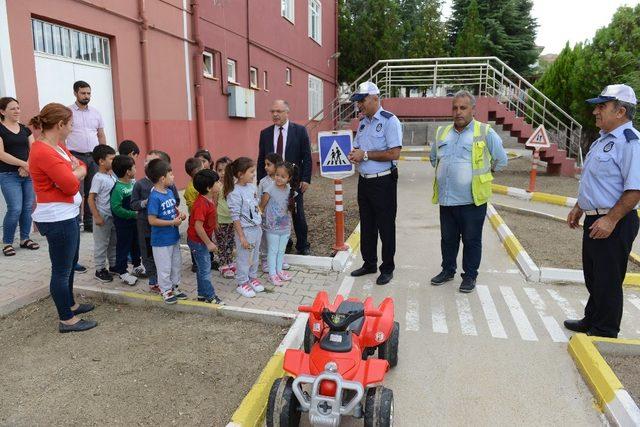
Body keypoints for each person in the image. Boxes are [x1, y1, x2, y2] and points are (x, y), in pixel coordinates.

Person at [564, 84, 640, 338]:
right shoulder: (603, 140)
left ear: (620, 111)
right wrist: (579, 206)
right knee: (594, 275)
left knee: (608, 278)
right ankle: (592, 318)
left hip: (615, 220)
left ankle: (605, 330)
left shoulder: (631, 143)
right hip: (597, 216)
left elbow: (635, 190)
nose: (596, 111)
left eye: (601, 106)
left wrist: (611, 219)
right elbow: (595, 181)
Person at [429, 90, 508, 293]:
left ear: (473, 110)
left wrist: (483, 174)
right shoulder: (442, 133)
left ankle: (470, 276)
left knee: (471, 240)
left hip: (472, 201)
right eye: (455, 108)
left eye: (463, 108)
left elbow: (501, 160)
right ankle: (447, 271)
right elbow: (433, 158)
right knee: (447, 240)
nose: (458, 112)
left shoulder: (484, 132)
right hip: (447, 200)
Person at [28, 103, 97, 333]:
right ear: (60, 125)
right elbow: (69, 185)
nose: (72, 129)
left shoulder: (56, 146)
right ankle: (66, 319)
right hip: (57, 217)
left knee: (68, 264)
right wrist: (74, 172)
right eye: (71, 125)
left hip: (66, 214)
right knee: (61, 269)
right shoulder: (43, 151)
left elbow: (82, 165)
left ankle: (71, 304)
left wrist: (75, 171)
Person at [347, 82, 403, 286]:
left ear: (375, 98)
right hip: (365, 182)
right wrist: (354, 154)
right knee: (367, 224)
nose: (359, 105)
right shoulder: (363, 123)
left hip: (384, 182)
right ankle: (369, 263)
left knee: (385, 227)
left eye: (362, 100)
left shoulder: (390, 121)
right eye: (358, 101)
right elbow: (358, 148)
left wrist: (366, 155)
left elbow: (394, 153)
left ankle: (387, 268)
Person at [257, 99, 312, 255]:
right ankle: (284, 242)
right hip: (272, 182)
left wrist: (306, 179)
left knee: (296, 213)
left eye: (279, 111)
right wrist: (260, 183)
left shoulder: (300, 131)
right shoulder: (265, 133)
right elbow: (261, 159)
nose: (275, 114)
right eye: (272, 111)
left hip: (293, 181)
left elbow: (306, 157)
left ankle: (303, 245)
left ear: (287, 112)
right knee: (275, 212)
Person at [130, 150, 180, 293]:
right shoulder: (139, 184)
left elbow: (176, 200)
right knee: (148, 254)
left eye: (152, 161)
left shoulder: (169, 185)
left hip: (165, 229)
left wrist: (175, 212)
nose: (148, 164)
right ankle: (153, 280)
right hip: (145, 227)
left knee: (166, 258)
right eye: (146, 161)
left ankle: (167, 282)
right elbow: (133, 204)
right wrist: (146, 203)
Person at [66, 80, 107, 233]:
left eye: (88, 93)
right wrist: (68, 156)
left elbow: (101, 134)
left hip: (94, 157)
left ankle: (89, 223)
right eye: (83, 93)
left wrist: (103, 155)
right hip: (75, 157)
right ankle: (76, 222)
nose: (86, 96)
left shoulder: (96, 113)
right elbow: (62, 136)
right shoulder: (68, 112)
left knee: (92, 191)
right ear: (75, 93)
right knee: (76, 191)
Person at [146, 158, 188, 304]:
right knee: (164, 267)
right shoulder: (154, 197)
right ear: (162, 178)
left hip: (173, 237)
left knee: (176, 264)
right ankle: (166, 290)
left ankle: (175, 286)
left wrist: (179, 214)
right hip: (161, 241)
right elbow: (152, 220)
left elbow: (173, 208)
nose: (173, 177)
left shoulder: (169, 192)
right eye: (171, 175)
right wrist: (172, 222)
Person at [0, 97, 38, 256]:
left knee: (28, 207)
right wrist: (24, 164)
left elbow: (34, 148)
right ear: (2, 111)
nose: (17, 111)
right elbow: (1, 154)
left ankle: (24, 239)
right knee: (15, 208)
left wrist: (27, 166)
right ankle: (7, 242)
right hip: (8, 174)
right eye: (12, 108)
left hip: (27, 174)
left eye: (18, 107)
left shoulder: (25, 129)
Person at [225, 157, 264, 298]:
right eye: (251, 172)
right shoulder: (234, 192)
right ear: (241, 174)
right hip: (245, 231)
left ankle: (252, 278)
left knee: (254, 256)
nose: (254, 174)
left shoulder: (252, 187)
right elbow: (235, 217)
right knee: (243, 258)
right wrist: (241, 236)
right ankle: (242, 282)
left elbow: (255, 206)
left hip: (256, 228)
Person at [187, 169, 224, 304]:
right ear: (209, 188)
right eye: (217, 182)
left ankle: (202, 295)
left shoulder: (209, 198)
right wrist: (208, 243)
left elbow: (211, 217)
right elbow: (198, 226)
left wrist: (216, 226)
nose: (220, 184)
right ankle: (210, 296)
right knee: (205, 270)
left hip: (201, 241)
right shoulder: (201, 204)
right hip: (198, 242)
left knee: (202, 269)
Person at [260, 161, 297, 286]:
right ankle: (272, 274)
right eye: (277, 175)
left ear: (289, 178)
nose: (279, 178)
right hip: (272, 227)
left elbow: (290, 207)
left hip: (285, 227)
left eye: (283, 176)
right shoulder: (269, 189)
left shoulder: (290, 190)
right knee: (273, 250)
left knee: (281, 251)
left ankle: (279, 271)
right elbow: (261, 207)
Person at [109, 155, 141, 286]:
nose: (136, 169)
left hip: (135, 223)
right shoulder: (117, 189)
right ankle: (122, 272)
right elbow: (116, 208)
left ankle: (137, 265)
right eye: (134, 167)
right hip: (123, 225)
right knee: (123, 246)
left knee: (136, 244)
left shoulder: (133, 183)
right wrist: (132, 214)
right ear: (128, 172)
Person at [88, 144, 117, 282]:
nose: (114, 161)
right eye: (111, 159)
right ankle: (99, 269)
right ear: (101, 161)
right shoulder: (98, 178)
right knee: (101, 244)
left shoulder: (111, 176)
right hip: (103, 216)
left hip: (113, 216)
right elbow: (91, 199)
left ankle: (113, 265)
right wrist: (97, 216)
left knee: (113, 242)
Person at [258, 152, 283, 272]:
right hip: (265, 217)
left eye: (268, 164)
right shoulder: (263, 182)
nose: (265, 167)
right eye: (265, 164)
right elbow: (258, 198)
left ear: (277, 166)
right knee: (265, 239)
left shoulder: (284, 180)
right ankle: (264, 260)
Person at [214, 156, 236, 278]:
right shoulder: (216, 186)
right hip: (221, 220)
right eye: (219, 170)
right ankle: (223, 264)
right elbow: (214, 204)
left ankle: (230, 262)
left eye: (226, 170)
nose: (223, 173)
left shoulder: (234, 186)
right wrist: (215, 221)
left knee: (230, 243)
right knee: (222, 244)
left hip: (232, 220)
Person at [184, 157, 204, 272]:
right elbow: (193, 206)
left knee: (204, 238)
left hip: (202, 217)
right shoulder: (191, 188)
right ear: (196, 171)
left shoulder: (199, 184)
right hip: (195, 218)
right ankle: (195, 263)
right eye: (202, 168)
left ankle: (207, 259)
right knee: (195, 239)